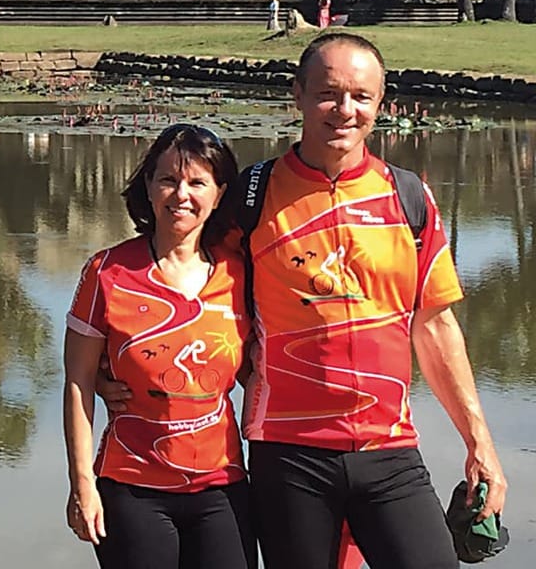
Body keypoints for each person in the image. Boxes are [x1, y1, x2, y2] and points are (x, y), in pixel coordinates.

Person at [99, 32, 507, 569]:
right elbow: (182, 283)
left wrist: (480, 442)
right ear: (298, 95)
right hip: (288, 452)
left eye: (361, 96)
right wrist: (115, 367)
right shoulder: (251, 197)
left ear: (380, 103)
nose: (344, 110)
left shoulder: (409, 198)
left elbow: (434, 326)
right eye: (328, 93)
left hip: (389, 448)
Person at [63, 124, 255, 569]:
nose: (180, 194)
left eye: (197, 182)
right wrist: (82, 486)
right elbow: (77, 381)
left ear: (220, 192)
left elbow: (258, 367)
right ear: (148, 185)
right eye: (167, 179)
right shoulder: (106, 271)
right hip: (132, 488)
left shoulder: (243, 273)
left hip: (222, 485)